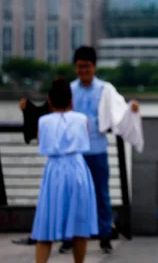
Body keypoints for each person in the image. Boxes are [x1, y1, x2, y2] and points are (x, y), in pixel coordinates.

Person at [16, 46, 142, 254]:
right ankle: (68, 238)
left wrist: (132, 109)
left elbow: (120, 111)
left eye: (88, 66)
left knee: (102, 195)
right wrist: (28, 109)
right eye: (80, 67)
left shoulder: (105, 89)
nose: (84, 70)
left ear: (94, 67)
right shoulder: (69, 89)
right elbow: (47, 112)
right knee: (70, 197)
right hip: (73, 154)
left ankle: (104, 236)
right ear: (75, 68)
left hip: (97, 150)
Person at [31, 78, 98, 263]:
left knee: (45, 226)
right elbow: (87, 138)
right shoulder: (82, 119)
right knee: (79, 225)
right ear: (71, 100)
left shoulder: (43, 121)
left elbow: (40, 141)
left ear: (50, 101)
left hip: (54, 170)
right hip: (77, 168)